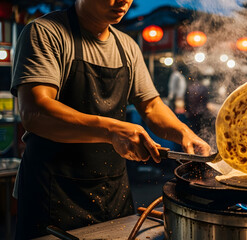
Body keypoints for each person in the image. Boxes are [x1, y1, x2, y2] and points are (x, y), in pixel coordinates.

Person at [11, 0, 210, 239]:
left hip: (112, 193)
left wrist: (184, 133)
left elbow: (151, 106)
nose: (123, 0)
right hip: (53, 194)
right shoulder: (46, 33)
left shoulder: (127, 45)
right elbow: (35, 112)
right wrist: (111, 130)